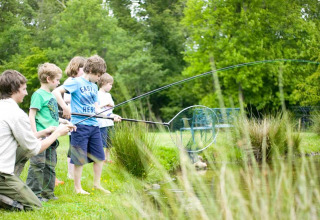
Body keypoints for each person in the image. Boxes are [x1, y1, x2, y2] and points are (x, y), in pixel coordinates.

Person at [0, 70, 74, 211]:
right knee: (34, 206)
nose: (26, 93)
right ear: (14, 90)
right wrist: (57, 133)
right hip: (2, 174)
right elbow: (33, 149)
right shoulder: (16, 113)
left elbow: (23, 139)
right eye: (24, 89)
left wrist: (43, 132)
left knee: (23, 148)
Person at [53, 55, 121, 195]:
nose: (99, 78)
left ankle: (97, 185)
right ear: (89, 70)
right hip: (80, 125)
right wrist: (65, 108)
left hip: (94, 125)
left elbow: (96, 109)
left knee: (100, 157)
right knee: (79, 158)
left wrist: (110, 115)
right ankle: (77, 188)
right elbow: (56, 92)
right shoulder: (76, 82)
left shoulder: (94, 86)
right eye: (98, 75)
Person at [26, 63, 71, 202]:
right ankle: (34, 195)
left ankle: (48, 194)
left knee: (50, 165)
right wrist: (35, 135)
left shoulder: (51, 96)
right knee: (38, 166)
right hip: (41, 137)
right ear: (48, 79)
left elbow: (51, 117)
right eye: (57, 80)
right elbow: (32, 116)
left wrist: (64, 122)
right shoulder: (38, 95)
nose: (58, 83)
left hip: (52, 138)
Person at [64, 56, 86, 180]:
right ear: (77, 68)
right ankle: (70, 174)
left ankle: (73, 174)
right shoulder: (70, 80)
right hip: (74, 119)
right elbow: (66, 98)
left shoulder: (81, 81)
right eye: (83, 68)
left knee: (77, 147)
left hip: (81, 118)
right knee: (73, 146)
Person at [97, 73, 115, 164]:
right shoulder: (97, 94)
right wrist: (105, 104)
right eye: (110, 84)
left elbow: (112, 106)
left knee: (110, 142)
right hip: (102, 122)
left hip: (110, 122)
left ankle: (107, 158)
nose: (111, 86)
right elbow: (96, 108)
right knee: (102, 142)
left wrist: (111, 105)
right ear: (103, 83)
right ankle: (102, 158)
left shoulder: (108, 95)